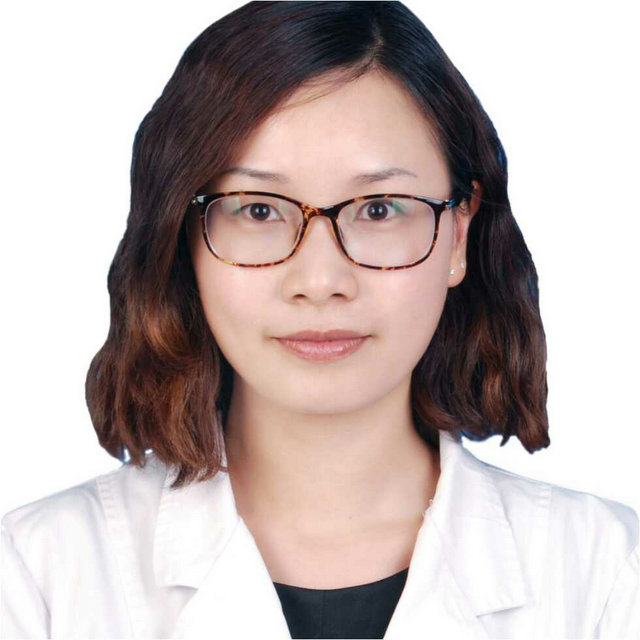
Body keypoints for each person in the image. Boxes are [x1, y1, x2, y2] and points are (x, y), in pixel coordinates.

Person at [1, 2, 638, 638]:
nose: (320, 280)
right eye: (258, 210)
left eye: (380, 208)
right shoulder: (36, 575)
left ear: (458, 233)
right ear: (183, 236)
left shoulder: (606, 572)